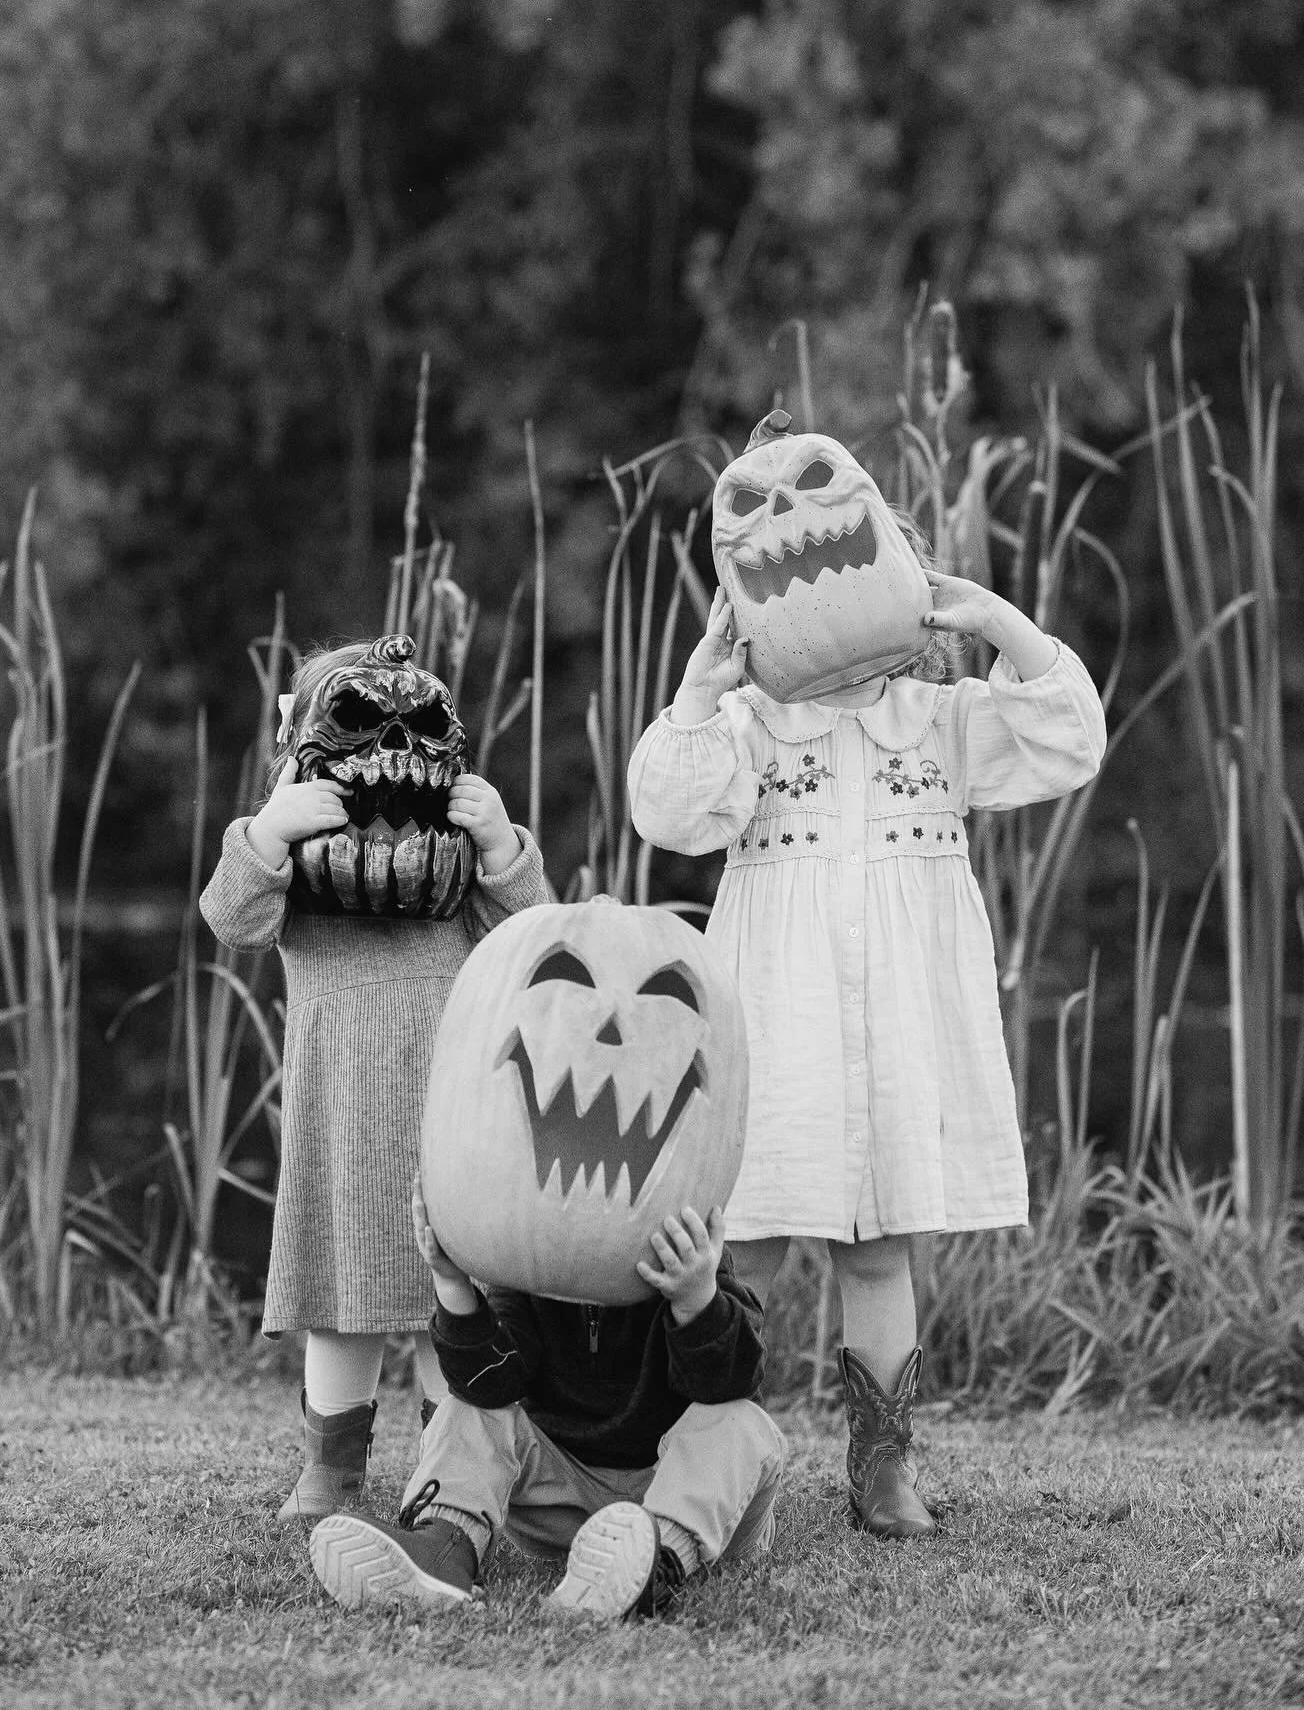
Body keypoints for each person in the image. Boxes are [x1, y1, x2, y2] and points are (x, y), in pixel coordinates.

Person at [625, 471, 1107, 1540]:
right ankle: (707, 1455)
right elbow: (666, 810)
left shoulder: (940, 720)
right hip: (775, 1005)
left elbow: (1070, 740)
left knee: (881, 1244)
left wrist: (993, 621)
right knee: (739, 1239)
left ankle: (881, 1469)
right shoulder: (749, 725)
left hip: (899, 1010)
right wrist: (704, 682)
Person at [200, 639, 544, 1523]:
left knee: (452, 1306)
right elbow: (230, 918)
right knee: (340, 1306)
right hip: (342, 1118)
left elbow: (536, 936)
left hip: (449, 1127)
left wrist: (501, 838)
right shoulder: (295, 872)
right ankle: (332, 1467)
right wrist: (271, 825)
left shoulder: (454, 861)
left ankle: (454, 1467)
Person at [308, 1180, 787, 1618]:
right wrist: (452, 1282)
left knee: (742, 1423)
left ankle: (652, 1567)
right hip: (563, 1496)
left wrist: (696, 1297)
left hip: (692, 1502)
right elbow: (488, 1383)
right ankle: (442, 1547)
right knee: (469, 1409)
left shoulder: (699, 1268)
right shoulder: (528, 1274)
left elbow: (730, 1382)